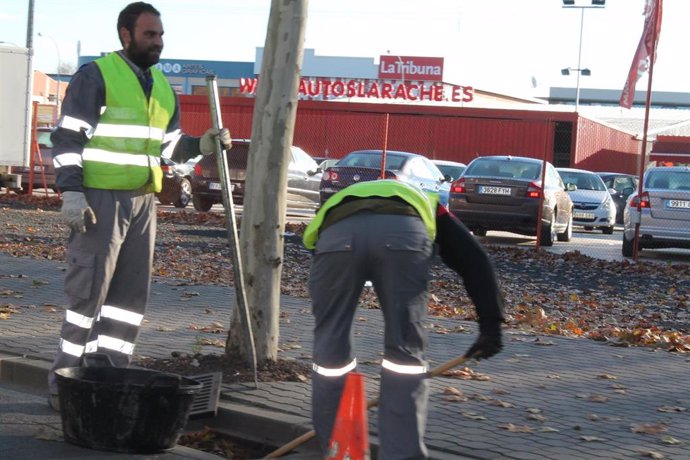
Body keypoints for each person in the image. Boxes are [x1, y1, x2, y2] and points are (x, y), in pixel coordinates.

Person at [47, 2, 230, 411]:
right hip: (98, 201)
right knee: (87, 298)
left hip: (142, 202)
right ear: (125, 35)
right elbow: (67, 141)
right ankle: (64, 386)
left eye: (160, 35)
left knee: (128, 302)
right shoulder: (97, 76)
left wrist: (202, 145)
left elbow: (172, 151)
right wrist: (72, 193)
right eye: (150, 34)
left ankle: (108, 381)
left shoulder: (163, 87)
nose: (158, 42)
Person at [302, 179, 505, 459]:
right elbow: (473, 259)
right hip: (403, 234)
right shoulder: (427, 202)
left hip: (337, 235)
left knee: (330, 353)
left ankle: (340, 451)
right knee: (404, 357)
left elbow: (319, 250)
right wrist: (490, 324)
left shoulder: (339, 200)